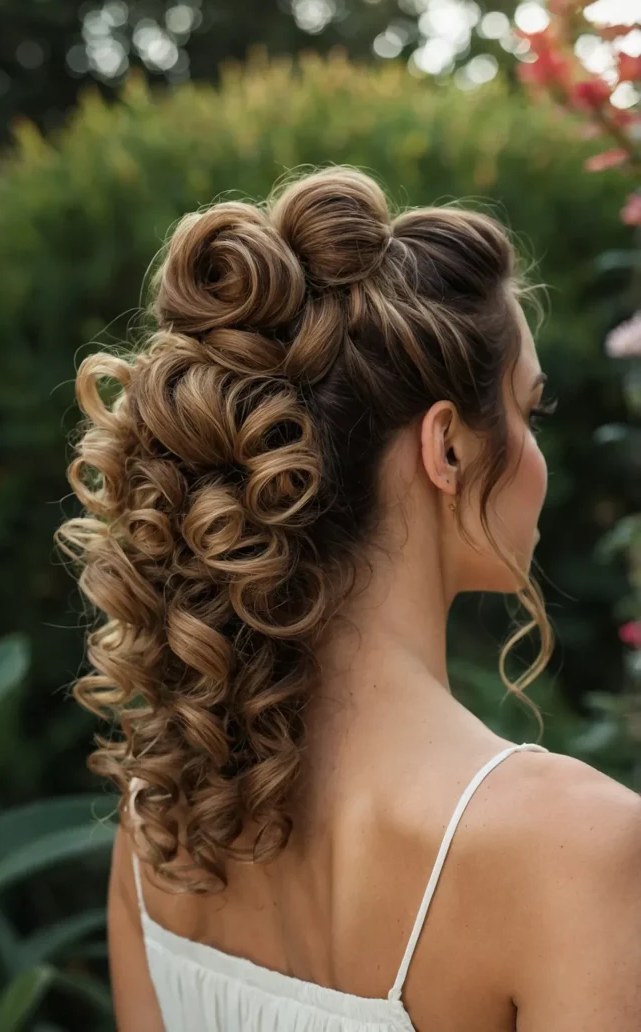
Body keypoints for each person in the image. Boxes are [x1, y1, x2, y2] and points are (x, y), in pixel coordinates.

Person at [57, 164, 641, 1031]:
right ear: (445, 448)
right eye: (529, 412)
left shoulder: (162, 825)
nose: (540, 460)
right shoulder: (575, 848)